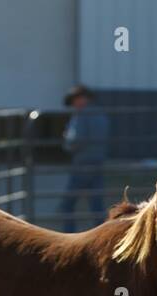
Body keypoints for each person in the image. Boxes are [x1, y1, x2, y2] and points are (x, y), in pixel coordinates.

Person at [59, 84, 111, 231]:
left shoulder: (81, 115)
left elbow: (76, 141)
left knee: (67, 204)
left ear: (82, 99)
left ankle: (69, 235)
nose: (74, 105)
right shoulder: (100, 114)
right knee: (97, 205)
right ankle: (103, 237)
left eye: (75, 100)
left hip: (82, 163)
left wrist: (67, 141)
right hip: (98, 161)